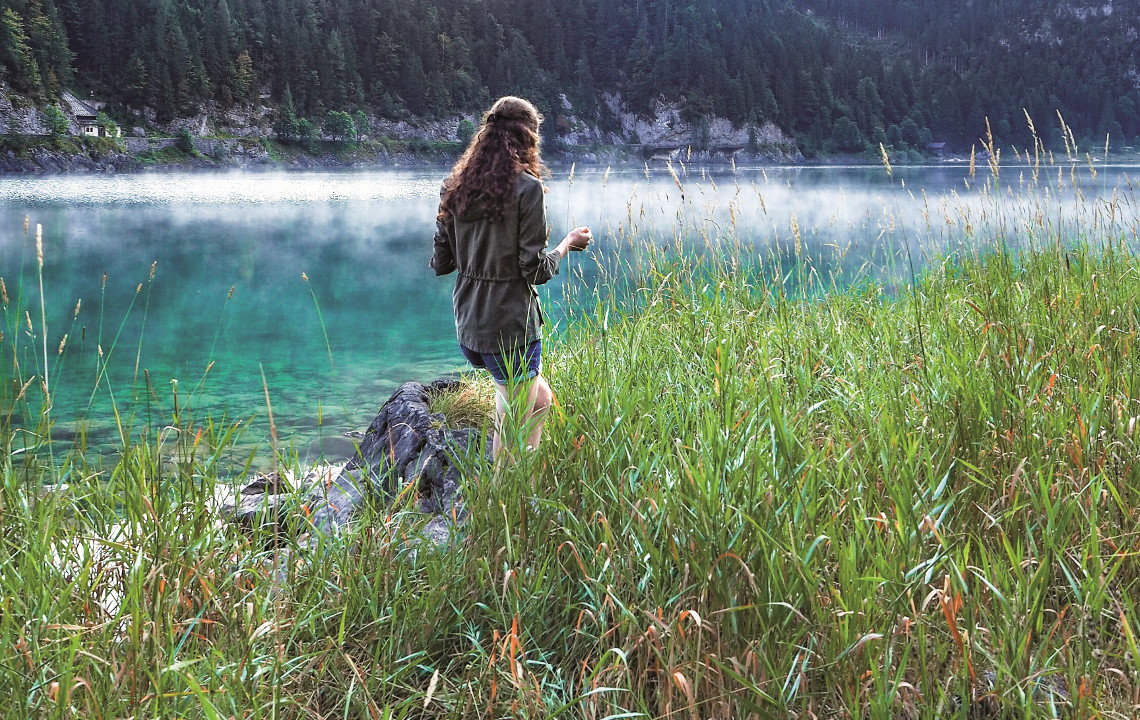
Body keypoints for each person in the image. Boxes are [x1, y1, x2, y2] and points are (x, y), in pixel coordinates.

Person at [431, 96, 591, 461]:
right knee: (512, 417)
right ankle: (509, 495)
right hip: (510, 330)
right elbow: (534, 269)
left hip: (470, 327)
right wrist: (567, 244)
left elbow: (440, 263)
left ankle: (521, 485)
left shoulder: (454, 187)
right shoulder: (527, 189)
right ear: (527, 137)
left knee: (540, 400)